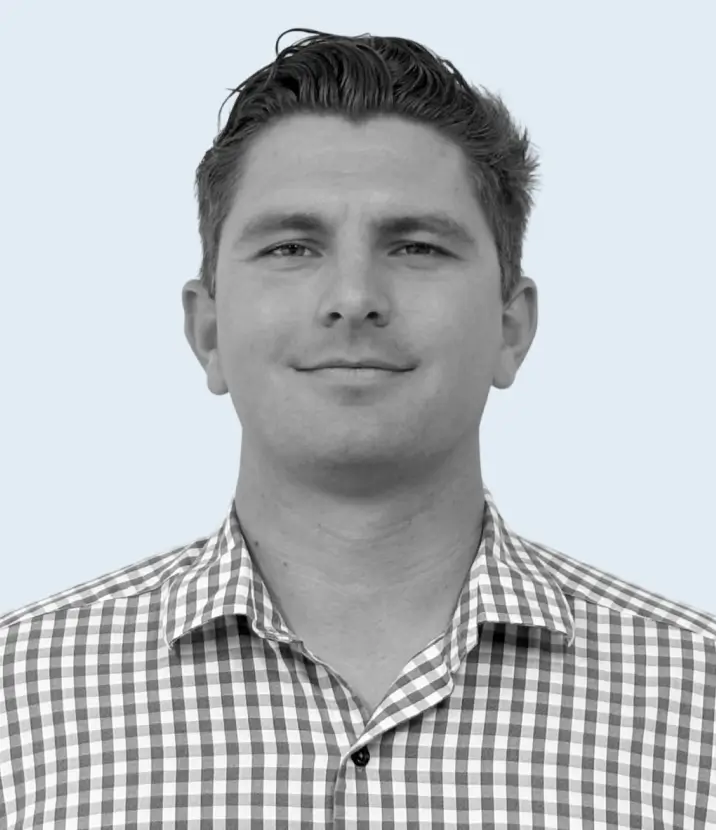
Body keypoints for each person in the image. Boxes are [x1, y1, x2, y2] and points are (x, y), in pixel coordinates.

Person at [1, 27, 714, 829]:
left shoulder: (699, 702)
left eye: (415, 246)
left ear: (511, 328)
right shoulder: (16, 701)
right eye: (292, 246)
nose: (352, 296)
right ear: (207, 332)